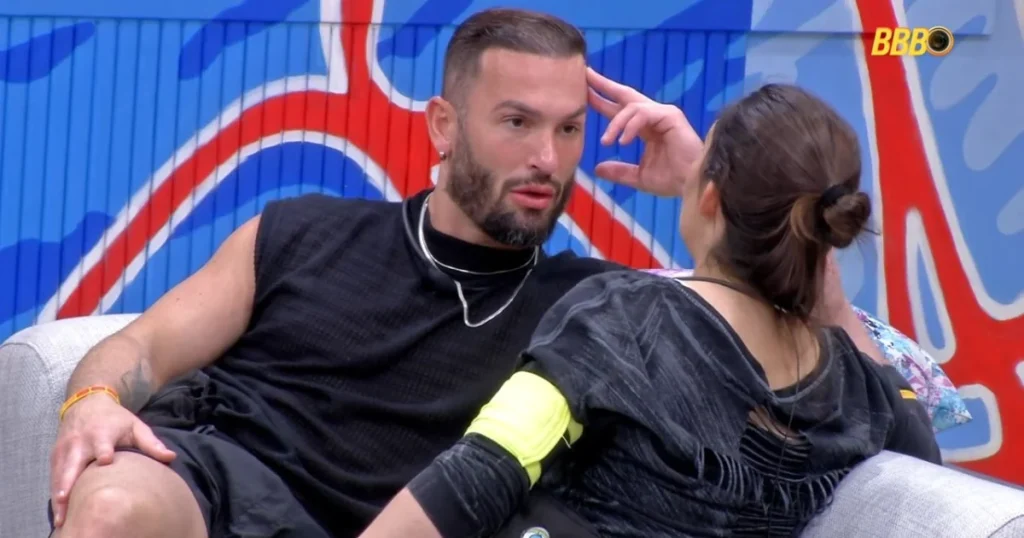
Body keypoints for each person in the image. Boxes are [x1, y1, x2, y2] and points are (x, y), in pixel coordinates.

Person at [47, 8, 915, 538]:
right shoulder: (301, 231)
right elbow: (141, 347)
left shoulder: (601, 310)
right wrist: (92, 401)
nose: (548, 158)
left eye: (569, 129)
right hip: (223, 486)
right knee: (116, 508)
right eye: (516, 122)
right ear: (443, 125)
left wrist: (716, 186)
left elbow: (773, 309)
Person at [357, 76, 942, 538]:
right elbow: (924, 465)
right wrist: (734, 204)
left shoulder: (628, 318)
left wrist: (718, 192)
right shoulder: (859, 388)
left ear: (710, 195)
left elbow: (479, 473)